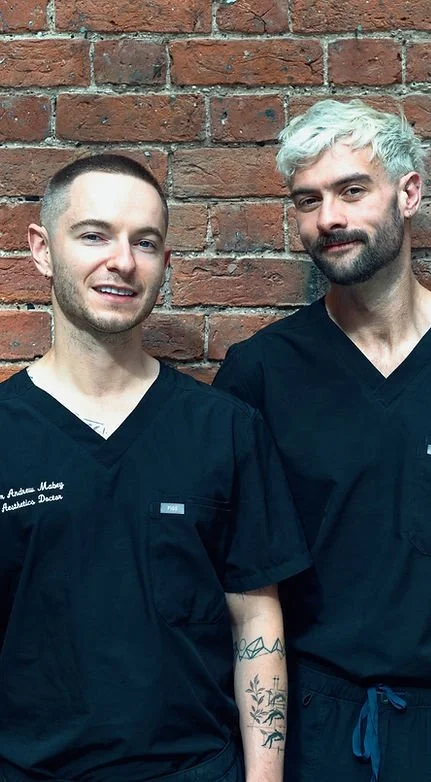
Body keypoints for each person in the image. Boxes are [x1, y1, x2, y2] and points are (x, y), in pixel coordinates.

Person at [213, 100, 431, 781]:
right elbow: (228, 571)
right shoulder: (260, 373)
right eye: (308, 200)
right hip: (315, 727)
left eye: (352, 190)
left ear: (408, 194)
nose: (328, 217)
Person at [0, 154, 311, 782]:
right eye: (94, 235)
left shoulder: (225, 429)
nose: (122, 261)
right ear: (42, 249)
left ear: (165, 263)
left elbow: (256, 621)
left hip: (197, 769)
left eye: (145, 242)